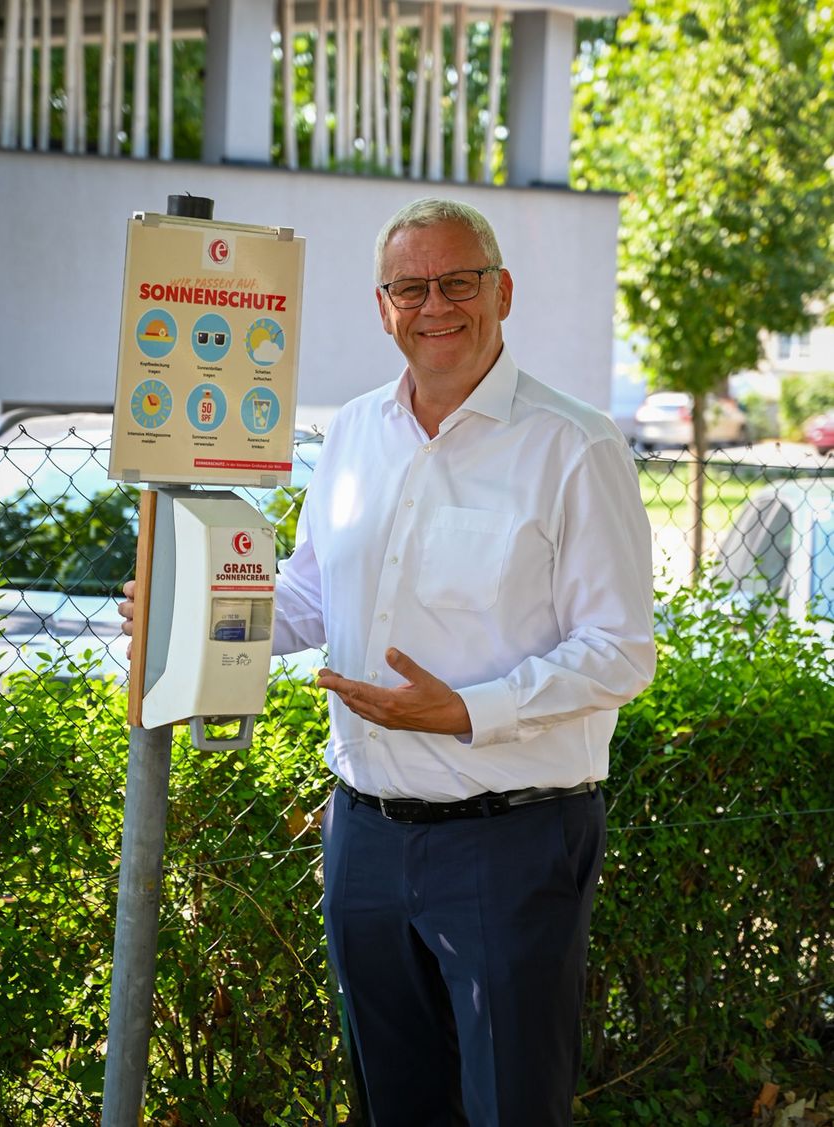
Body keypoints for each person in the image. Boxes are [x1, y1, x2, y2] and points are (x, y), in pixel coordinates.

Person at [120, 197, 655, 1126]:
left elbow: (621, 653)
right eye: (412, 286)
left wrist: (469, 710)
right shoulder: (355, 432)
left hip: (512, 839)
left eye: (459, 282)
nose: (435, 304)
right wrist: (187, 613)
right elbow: (310, 601)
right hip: (363, 838)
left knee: (511, 1107)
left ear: (503, 292)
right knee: (393, 1105)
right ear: (383, 306)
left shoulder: (574, 445)